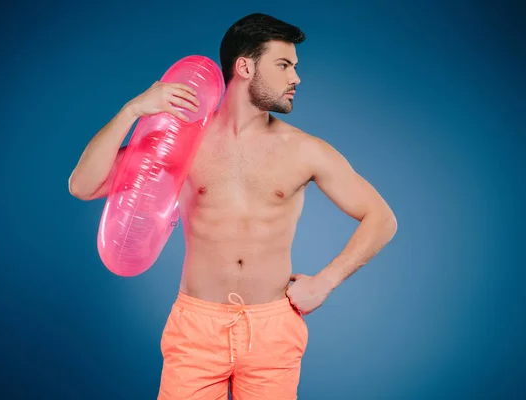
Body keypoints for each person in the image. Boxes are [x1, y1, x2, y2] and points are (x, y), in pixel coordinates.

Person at [69, 12, 397, 400]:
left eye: (295, 67)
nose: (296, 78)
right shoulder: (186, 139)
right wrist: (132, 110)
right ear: (244, 66)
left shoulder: (306, 150)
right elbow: (83, 185)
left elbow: (381, 218)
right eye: (284, 65)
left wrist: (325, 282)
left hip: (272, 330)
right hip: (197, 327)